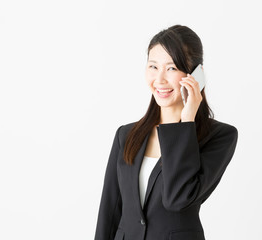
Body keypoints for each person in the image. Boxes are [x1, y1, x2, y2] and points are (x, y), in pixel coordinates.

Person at [94, 24, 238, 240]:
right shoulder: (126, 135)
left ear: (196, 74)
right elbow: (110, 210)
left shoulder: (220, 136)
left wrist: (185, 122)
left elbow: (177, 200)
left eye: (171, 68)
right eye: (153, 66)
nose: (159, 79)